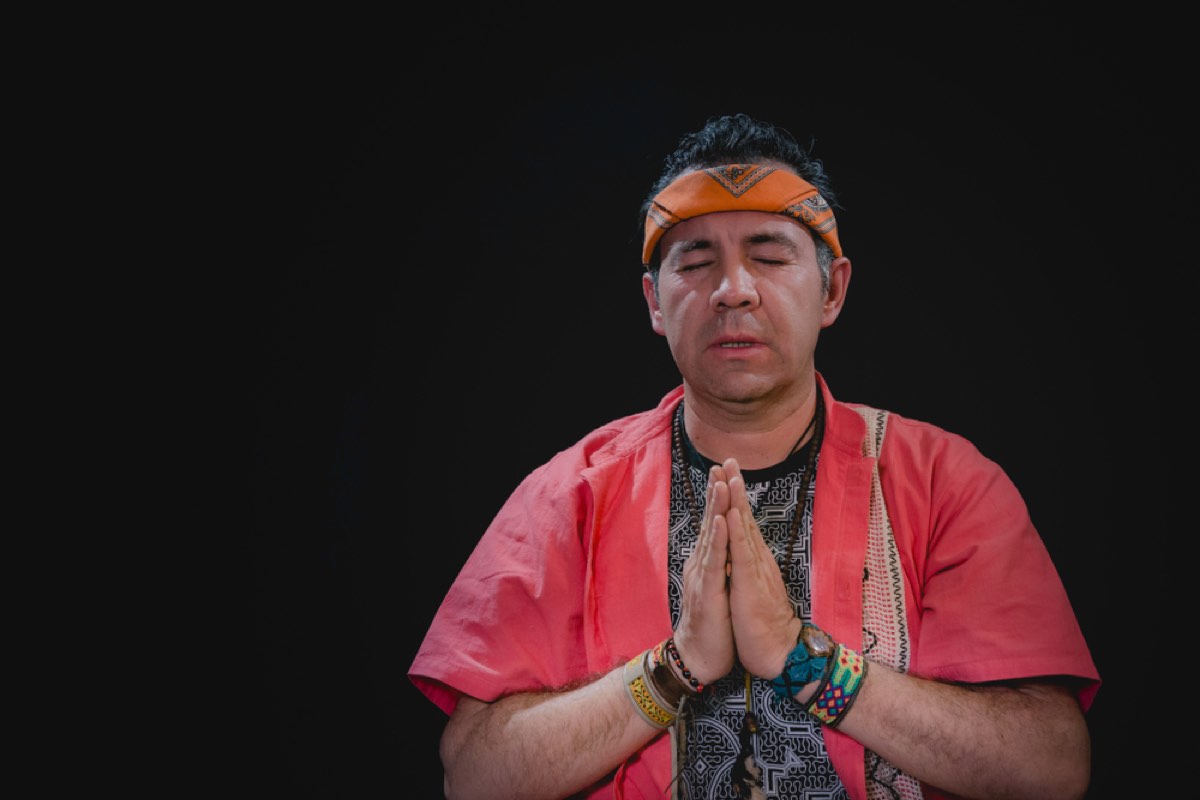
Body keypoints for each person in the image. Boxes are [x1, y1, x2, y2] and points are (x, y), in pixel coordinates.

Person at [408, 112, 1100, 800]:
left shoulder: (945, 482)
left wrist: (803, 660)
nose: (732, 288)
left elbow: (1050, 767)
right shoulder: (569, 496)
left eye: (769, 257)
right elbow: (474, 775)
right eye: (696, 262)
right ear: (654, 301)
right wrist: (675, 668)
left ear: (832, 291)